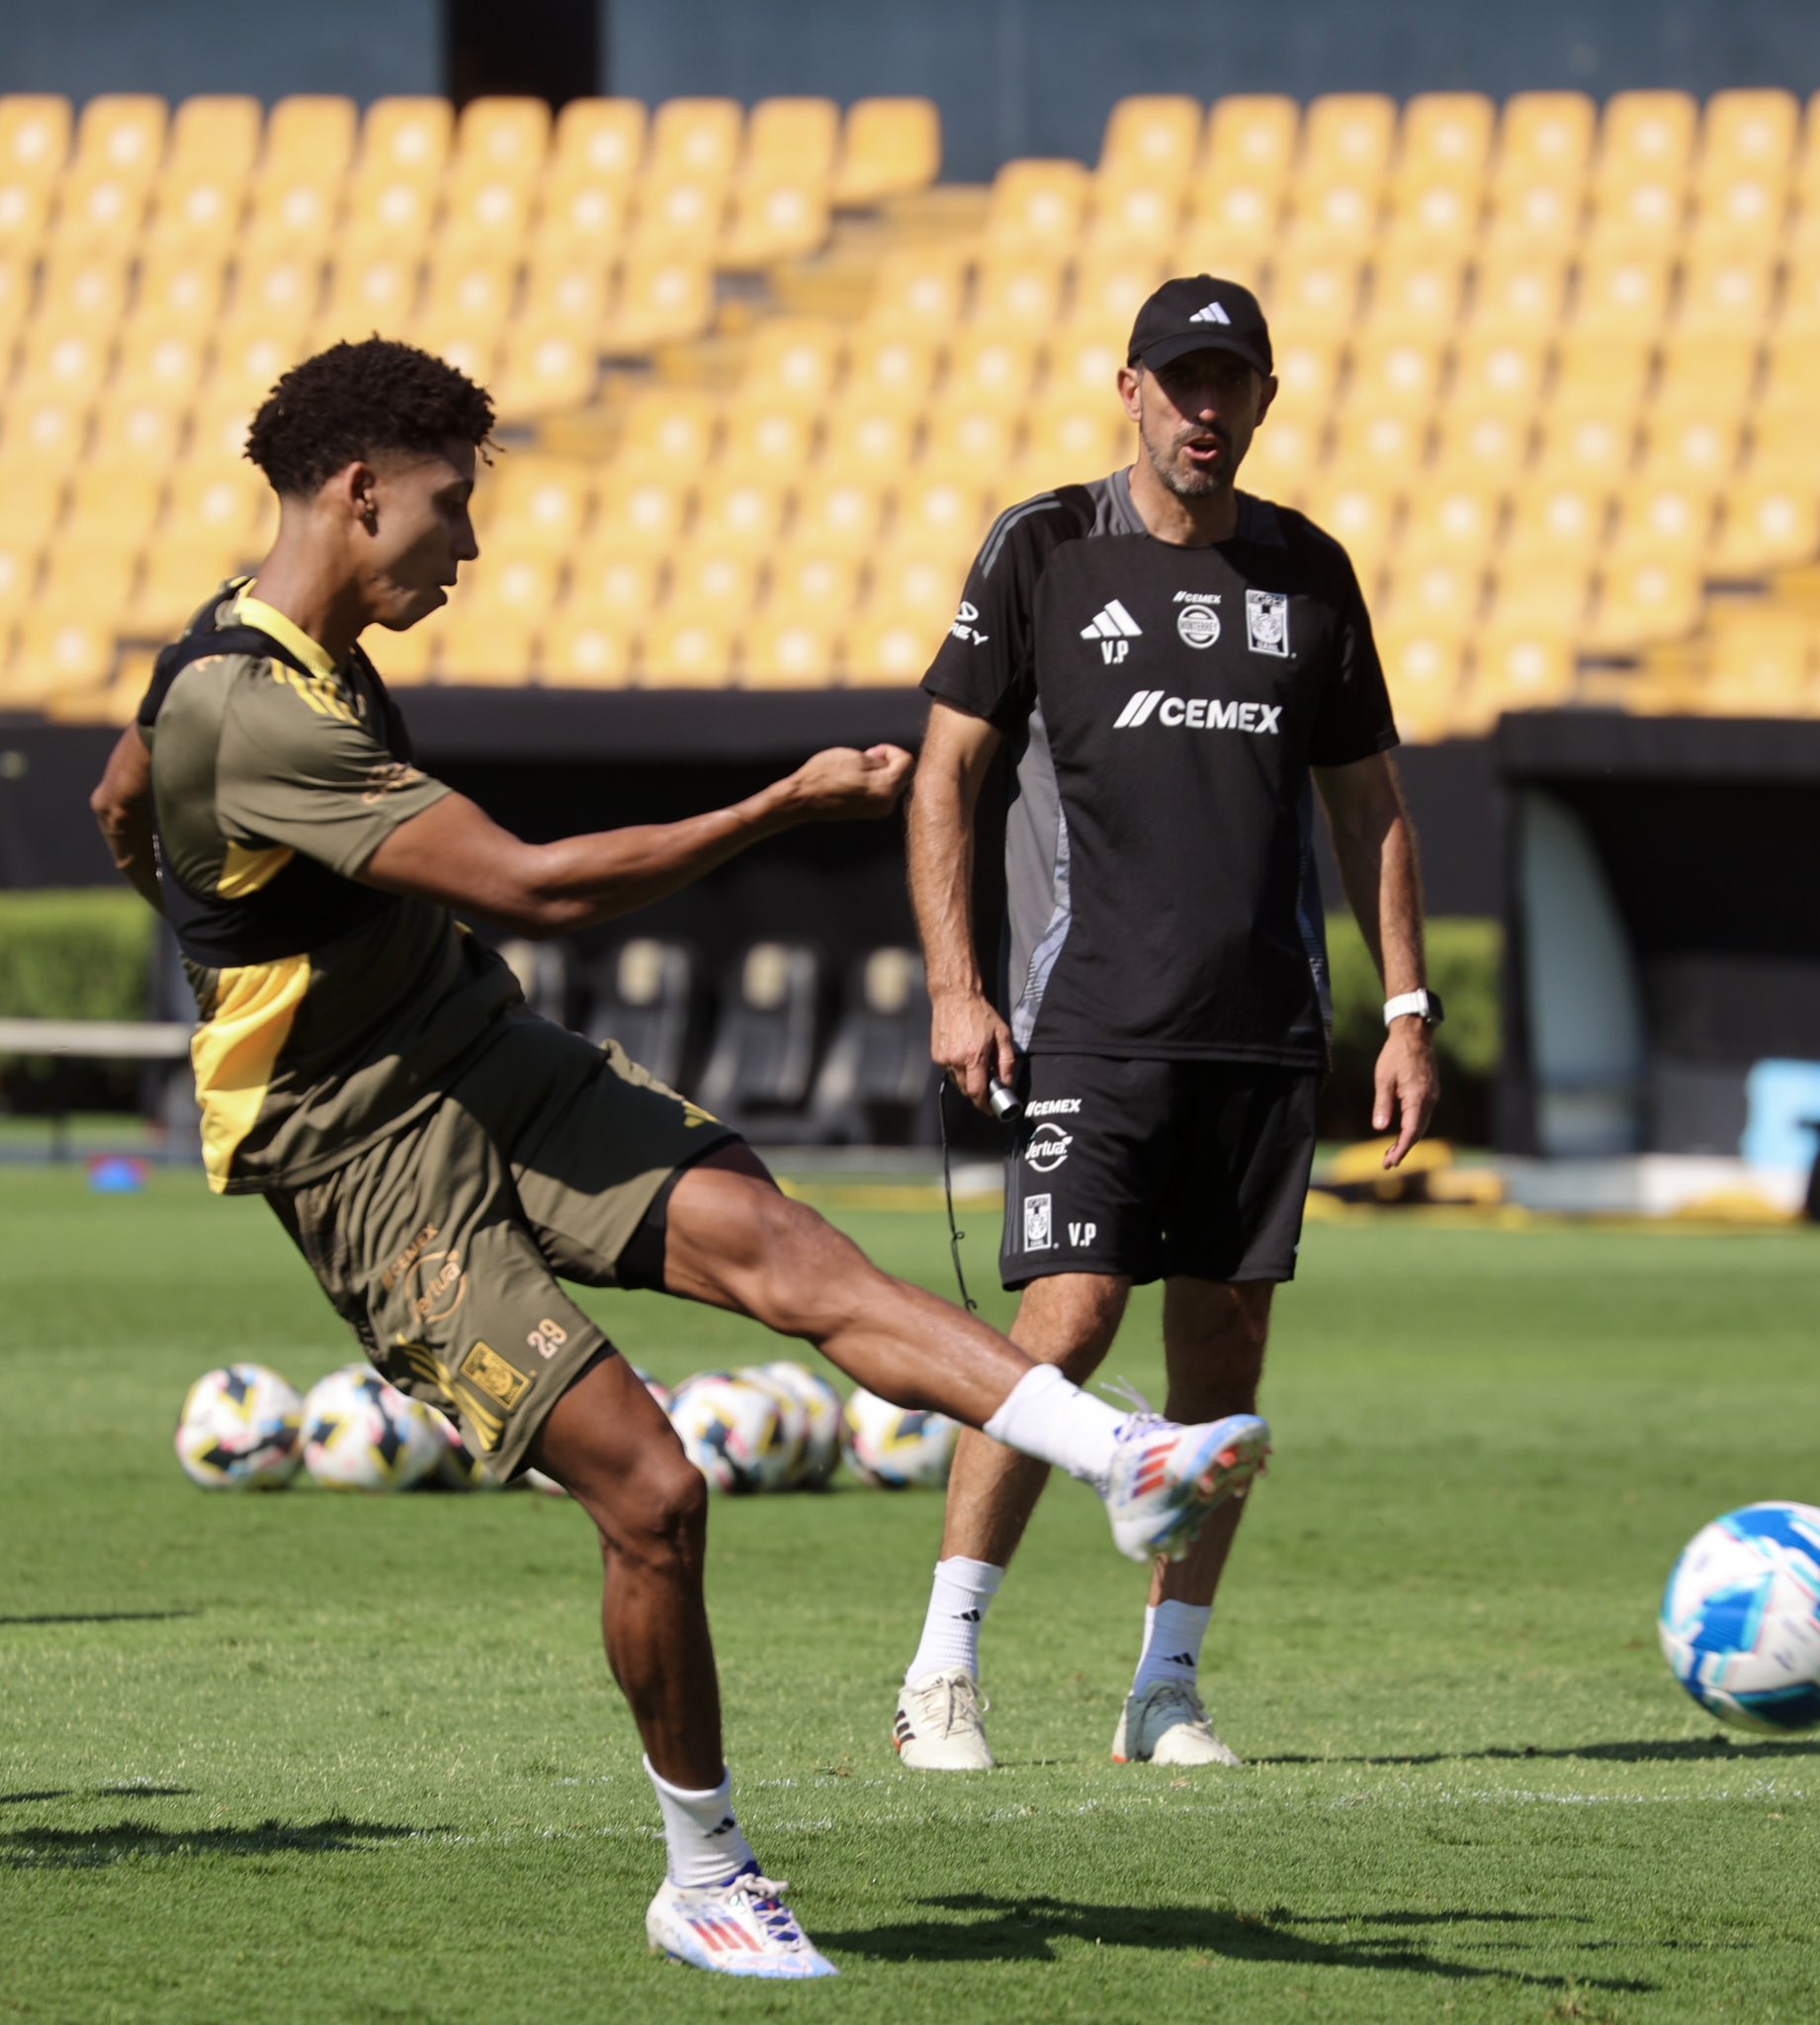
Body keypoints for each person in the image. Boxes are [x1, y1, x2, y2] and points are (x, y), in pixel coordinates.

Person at [88, 337, 1271, 1981]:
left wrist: (188, 903)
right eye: (449, 507)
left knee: (787, 1248)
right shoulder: (256, 704)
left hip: (475, 1049)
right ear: (360, 492)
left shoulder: (253, 652)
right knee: (653, 1488)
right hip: (360, 1149)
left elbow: (119, 791)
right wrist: (779, 806)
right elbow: (534, 887)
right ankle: (705, 1872)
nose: (469, 545)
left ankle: (1118, 1460)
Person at [895, 276, 1439, 1773]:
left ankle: (1167, 1686)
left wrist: (1402, 1008)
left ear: (1267, 399)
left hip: (1262, 1037)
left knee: (1223, 1369)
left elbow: (1371, 803)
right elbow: (944, 777)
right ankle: (943, 1666)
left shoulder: (1311, 573)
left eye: (1233, 385)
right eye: (1181, 383)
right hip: (1087, 1022)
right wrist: (958, 983)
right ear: (1126, 389)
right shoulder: (1044, 548)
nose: (1207, 412)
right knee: (1061, 1328)